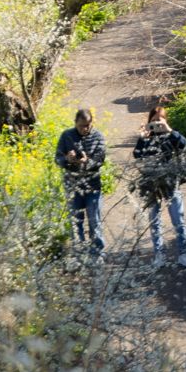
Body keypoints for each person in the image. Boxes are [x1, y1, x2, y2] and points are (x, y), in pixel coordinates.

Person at [131, 103, 186, 269]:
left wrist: (169, 130)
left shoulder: (171, 136)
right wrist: (142, 139)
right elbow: (138, 156)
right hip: (151, 184)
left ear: (165, 121)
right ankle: (159, 255)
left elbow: (184, 145)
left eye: (160, 121)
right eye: (154, 122)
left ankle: (183, 253)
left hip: (170, 182)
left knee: (178, 219)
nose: (157, 125)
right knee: (155, 221)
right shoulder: (147, 139)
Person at [55, 107, 107, 258]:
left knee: (94, 221)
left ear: (92, 122)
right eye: (81, 125)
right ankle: (80, 255)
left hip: (92, 186)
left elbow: (100, 159)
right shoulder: (66, 136)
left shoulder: (98, 136)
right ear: (75, 123)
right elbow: (57, 158)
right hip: (72, 186)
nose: (85, 128)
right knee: (75, 223)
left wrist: (86, 162)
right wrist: (67, 159)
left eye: (88, 125)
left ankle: (97, 254)